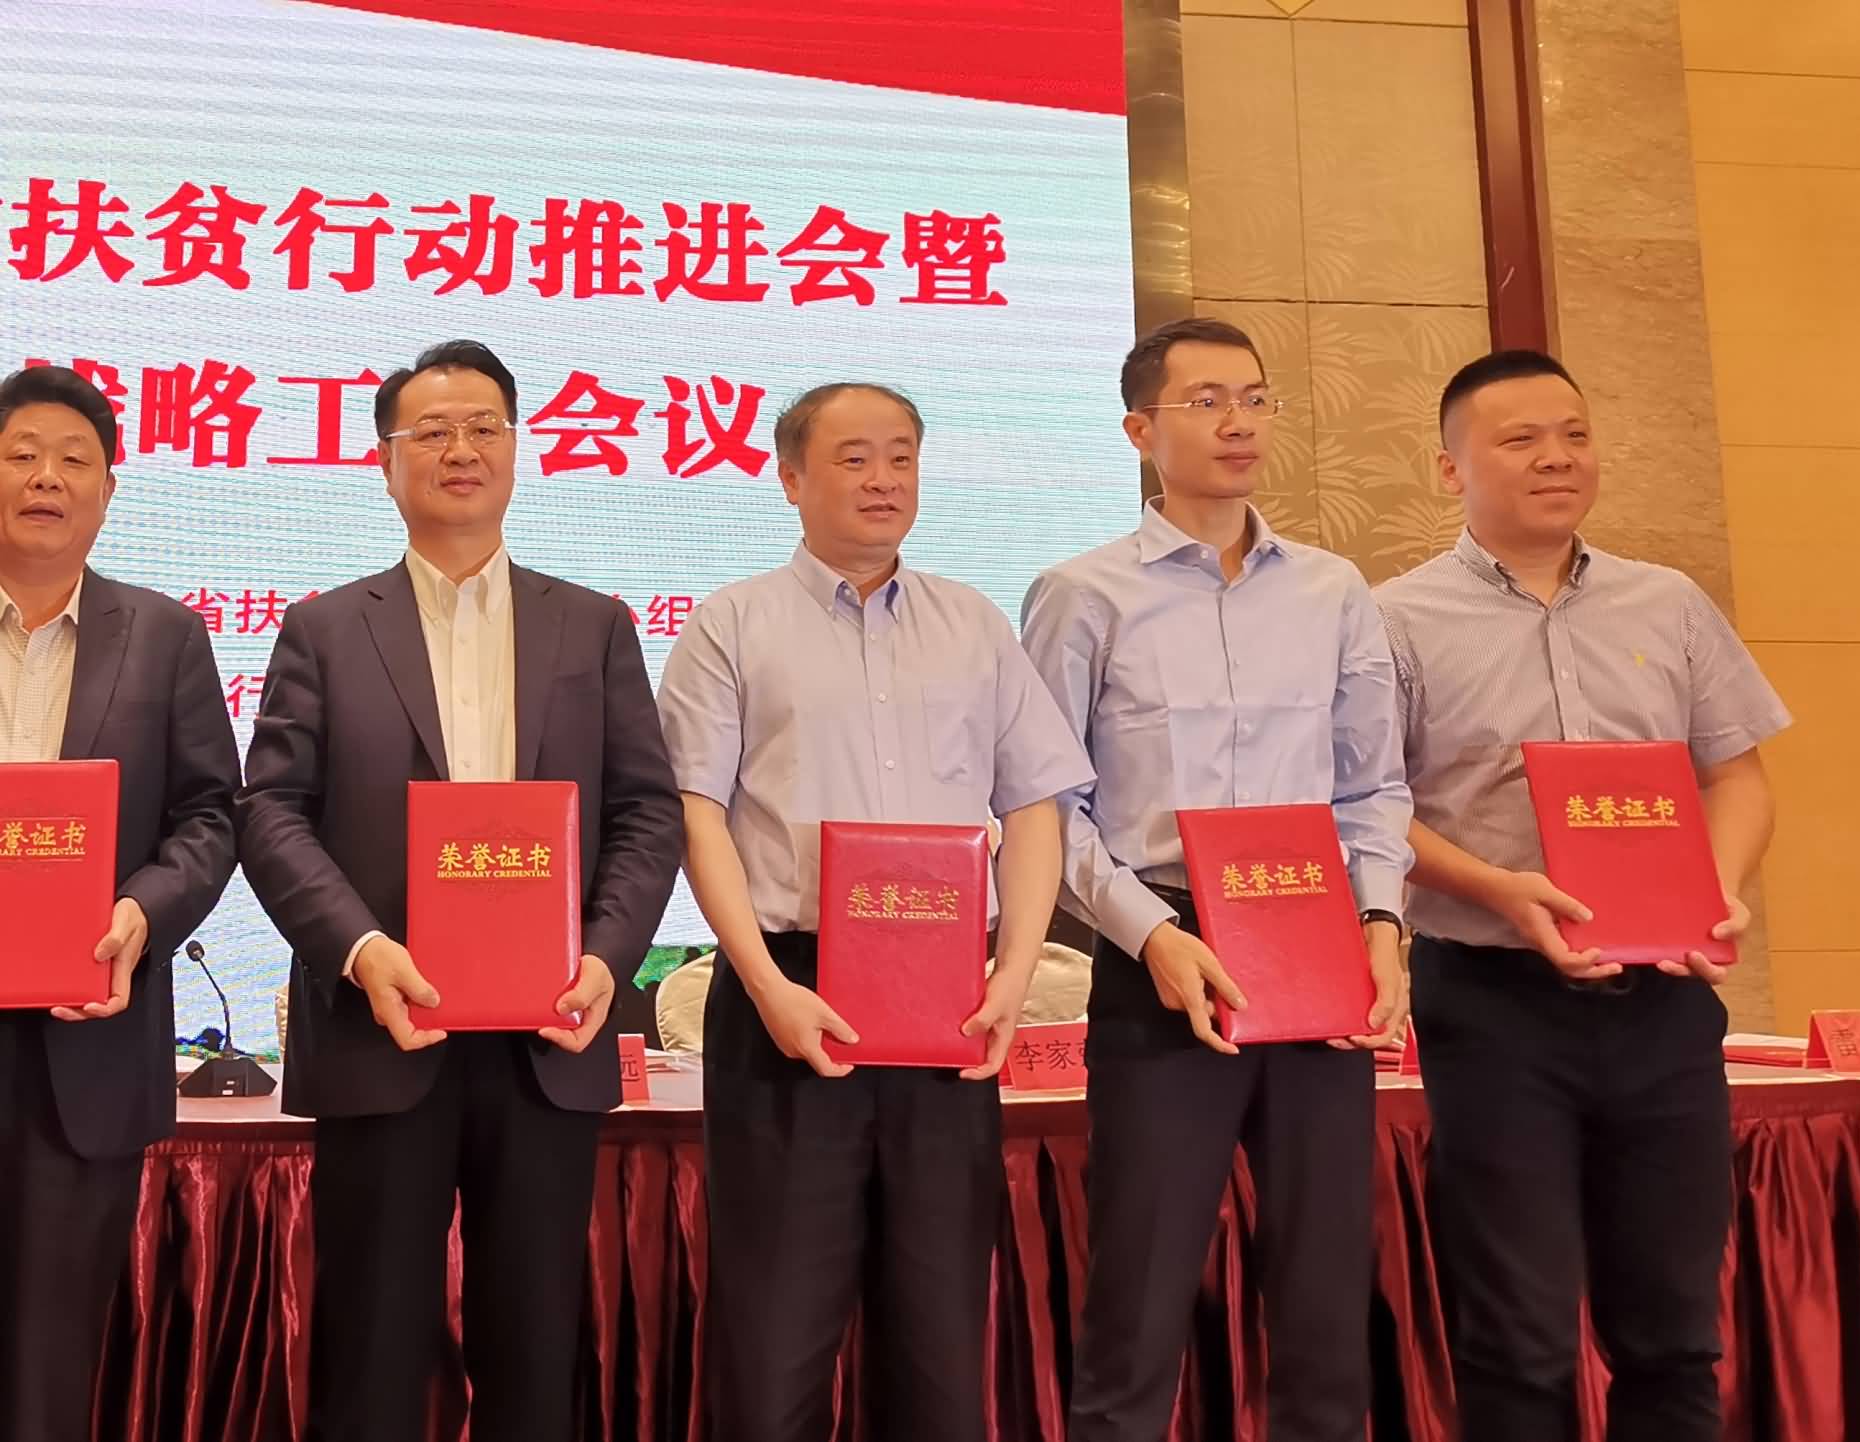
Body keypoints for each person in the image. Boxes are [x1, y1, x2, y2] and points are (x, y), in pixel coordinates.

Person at [237, 340, 684, 1442]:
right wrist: (360, 949)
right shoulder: (326, 628)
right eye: (431, 431)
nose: (461, 449)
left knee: (534, 1353)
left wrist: (605, 955)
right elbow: (271, 810)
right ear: (385, 462)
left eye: (484, 426)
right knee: (371, 1355)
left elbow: (646, 811)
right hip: (381, 1028)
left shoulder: (592, 624)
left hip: (550, 1037)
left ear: (518, 449)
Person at [659, 381, 1092, 1442]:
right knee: (775, 1341)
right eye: (854, 458)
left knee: (940, 1338)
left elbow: (1034, 804)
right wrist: (765, 983)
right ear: (790, 477)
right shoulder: (732, 622)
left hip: (946, 1005)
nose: (883, 479)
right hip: (787, 997)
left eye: (902, 455)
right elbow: (694, 813)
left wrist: (1012, 971)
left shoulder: (972, 622)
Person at [1374, 348, 1790, 1441]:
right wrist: (1497, 889)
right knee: (1518, 1339)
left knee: (1675, 1334)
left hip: (1665, 998)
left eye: (1575, 434)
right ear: (1450, 469)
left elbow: (1737, 776)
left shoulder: (1670, 601)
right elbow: (1369, 808)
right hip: (1494, 1002)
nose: (1557, 457)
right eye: (1520, 439)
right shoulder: (1394, 619)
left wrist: (1715, 890)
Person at [1021, 316, 1413, 1442]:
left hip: (1315, 945)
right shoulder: (1083, 593)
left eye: (1254, 397)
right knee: (1140, 1297)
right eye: (1205, 401)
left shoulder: (1333, 589)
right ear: (1140, 430)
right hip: (1162, 946)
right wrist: (1151, 935)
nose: (1238, 422)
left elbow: (1373, 783)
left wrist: (1381, 925)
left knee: (1327, 1297)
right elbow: (1048, 804)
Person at [0, 364, 239, 1442]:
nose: (45, 477)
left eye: (73, 459)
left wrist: (142, 914)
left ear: (108, 489)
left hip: (85, 1044)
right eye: (21, 454)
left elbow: (210, 814)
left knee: (51, 1363)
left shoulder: (165, 635)